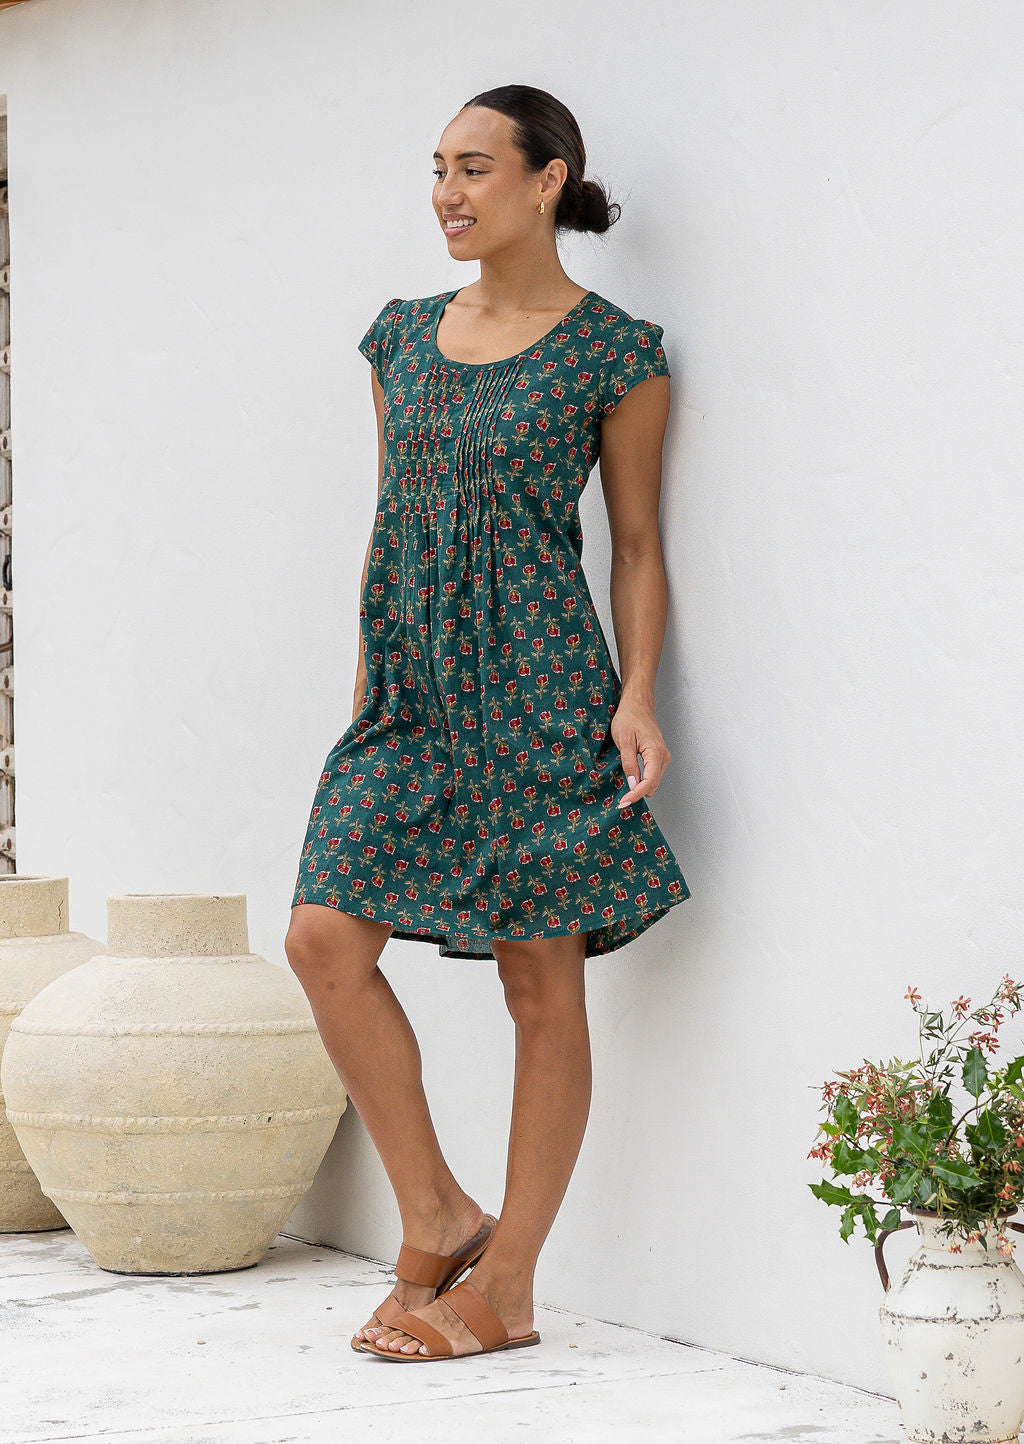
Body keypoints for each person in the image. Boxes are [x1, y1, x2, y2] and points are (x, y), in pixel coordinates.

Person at [285, 83, 691, 1362]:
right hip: (407, 694)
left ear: (547, 179)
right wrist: (366, 691)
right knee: (321, 939)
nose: (449, 194)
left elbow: (633, 544)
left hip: (540, 691)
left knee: (537, 979)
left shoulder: (613, 352)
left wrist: (634, 693)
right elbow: (392, 519)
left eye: (474, 168)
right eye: (439, 171)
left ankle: (507, 1283)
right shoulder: (402, 337)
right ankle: (439, 1210)